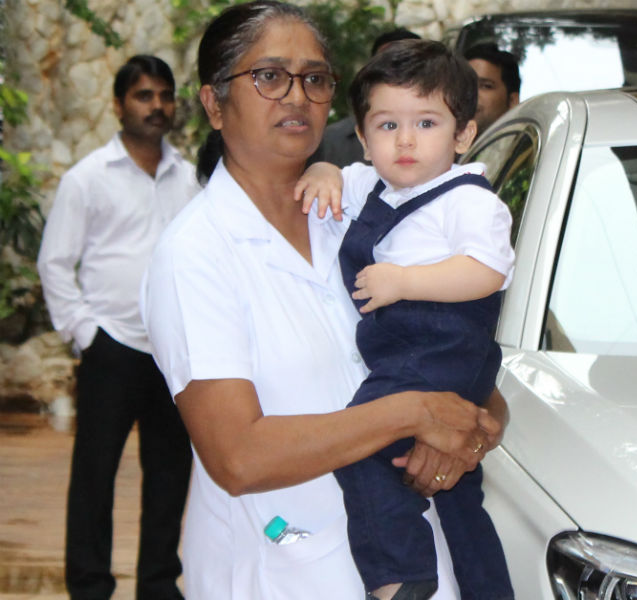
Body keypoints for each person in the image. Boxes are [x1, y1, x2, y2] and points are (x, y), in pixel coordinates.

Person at [139, 2, 508, 599]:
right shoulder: (196, 254)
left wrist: (471, 435)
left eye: (314, 79)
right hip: (282, 567)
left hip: (414, 561)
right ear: (213, 103)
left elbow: (469, 381)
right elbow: (238, 457)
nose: (296, 96)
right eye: (268, 76)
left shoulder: (361, 215)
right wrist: (414, 415)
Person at [298, 39, 515, 600]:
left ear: (463, 135)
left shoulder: (468, 200)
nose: (407, 140)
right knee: (460, 497)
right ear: (365, 139)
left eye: (426, 122)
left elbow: (488, 270)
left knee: (362, 444)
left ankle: (400, 574)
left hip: (443, 350)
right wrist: (322, 169)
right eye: (387, 126)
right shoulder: (374, 186)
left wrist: (405, 282)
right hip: (403, 354)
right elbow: (334, 177)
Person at [36, 55, 197, 600]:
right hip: (112, 348)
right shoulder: (87, 178)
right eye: (144, 95)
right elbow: (55, 263)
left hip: (172, 351)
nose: (157, 106)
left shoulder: (189, 178)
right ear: (118, 104)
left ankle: (157, 583)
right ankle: (89, 586)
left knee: (170, 474)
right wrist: (86, 333)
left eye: (164, 96)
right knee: (95, 475)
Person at [307, 27, 421, 167]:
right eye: (387, 64)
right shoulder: (330, 141)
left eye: (408, 64)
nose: (398, 73)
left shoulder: (445, 135)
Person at [463, 43, 520, 137]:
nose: (470, 93)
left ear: (512, 101)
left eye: (486, 86)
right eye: (465, 84)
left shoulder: (527, 148)